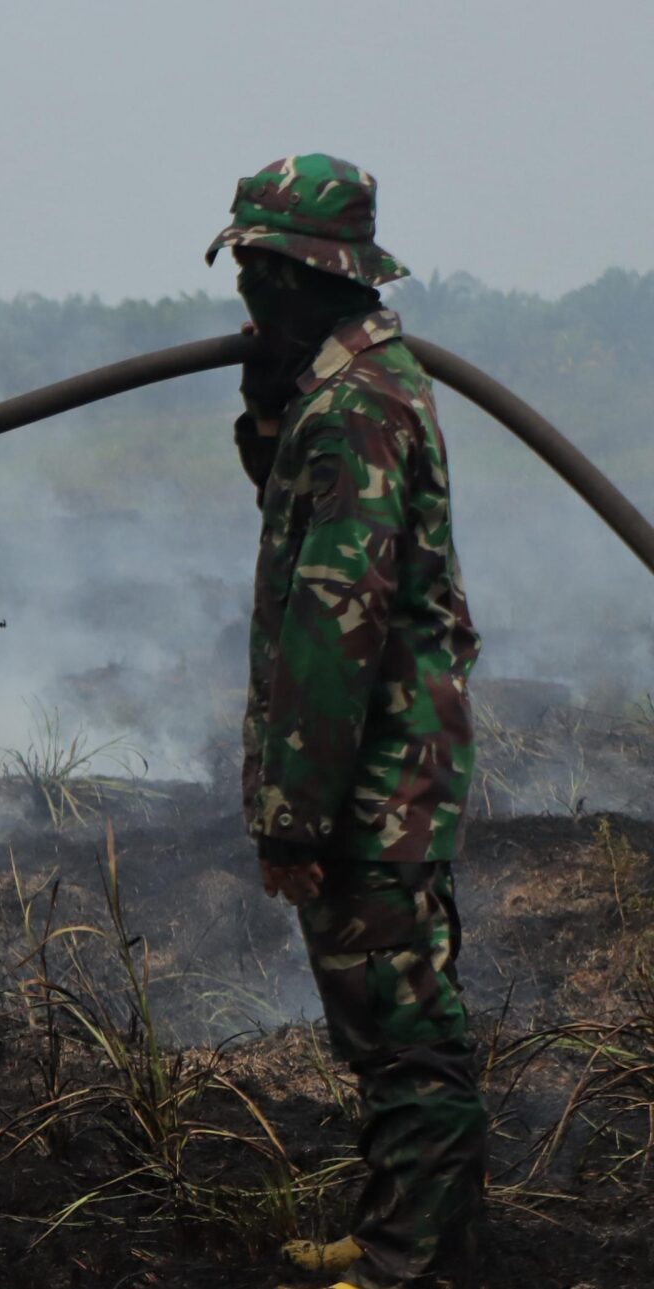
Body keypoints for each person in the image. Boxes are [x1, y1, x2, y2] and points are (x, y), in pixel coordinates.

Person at [209, 154, 487, 1289]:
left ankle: (405, 1266)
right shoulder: (345, 389)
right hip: (387, 767)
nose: (243, 295)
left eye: (253, 272)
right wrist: (268, 405)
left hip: (375, 774)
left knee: (404, 1032)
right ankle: (405, 1235)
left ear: (292, 273)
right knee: (384, 1025)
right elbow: (302, 510)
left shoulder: (358, 404)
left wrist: (293, 814)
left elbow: (335, 627)